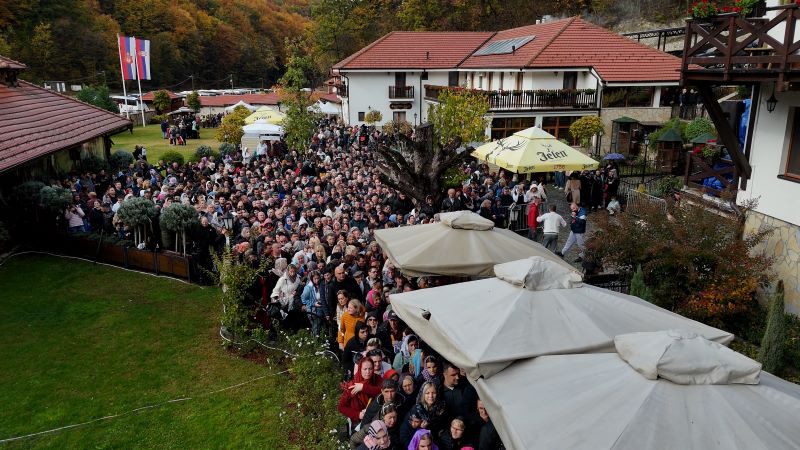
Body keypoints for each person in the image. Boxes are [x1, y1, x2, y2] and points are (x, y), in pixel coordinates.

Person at [338, 357, 383, 424]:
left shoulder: (377, 378)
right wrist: (358, 414)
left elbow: (383, 391)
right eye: (365, 369)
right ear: (360, 369)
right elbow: (341, 407)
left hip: (377, 417)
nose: (368, 372)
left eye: (370, 369)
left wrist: (364, 387)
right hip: (359, 421)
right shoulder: (352, 385)